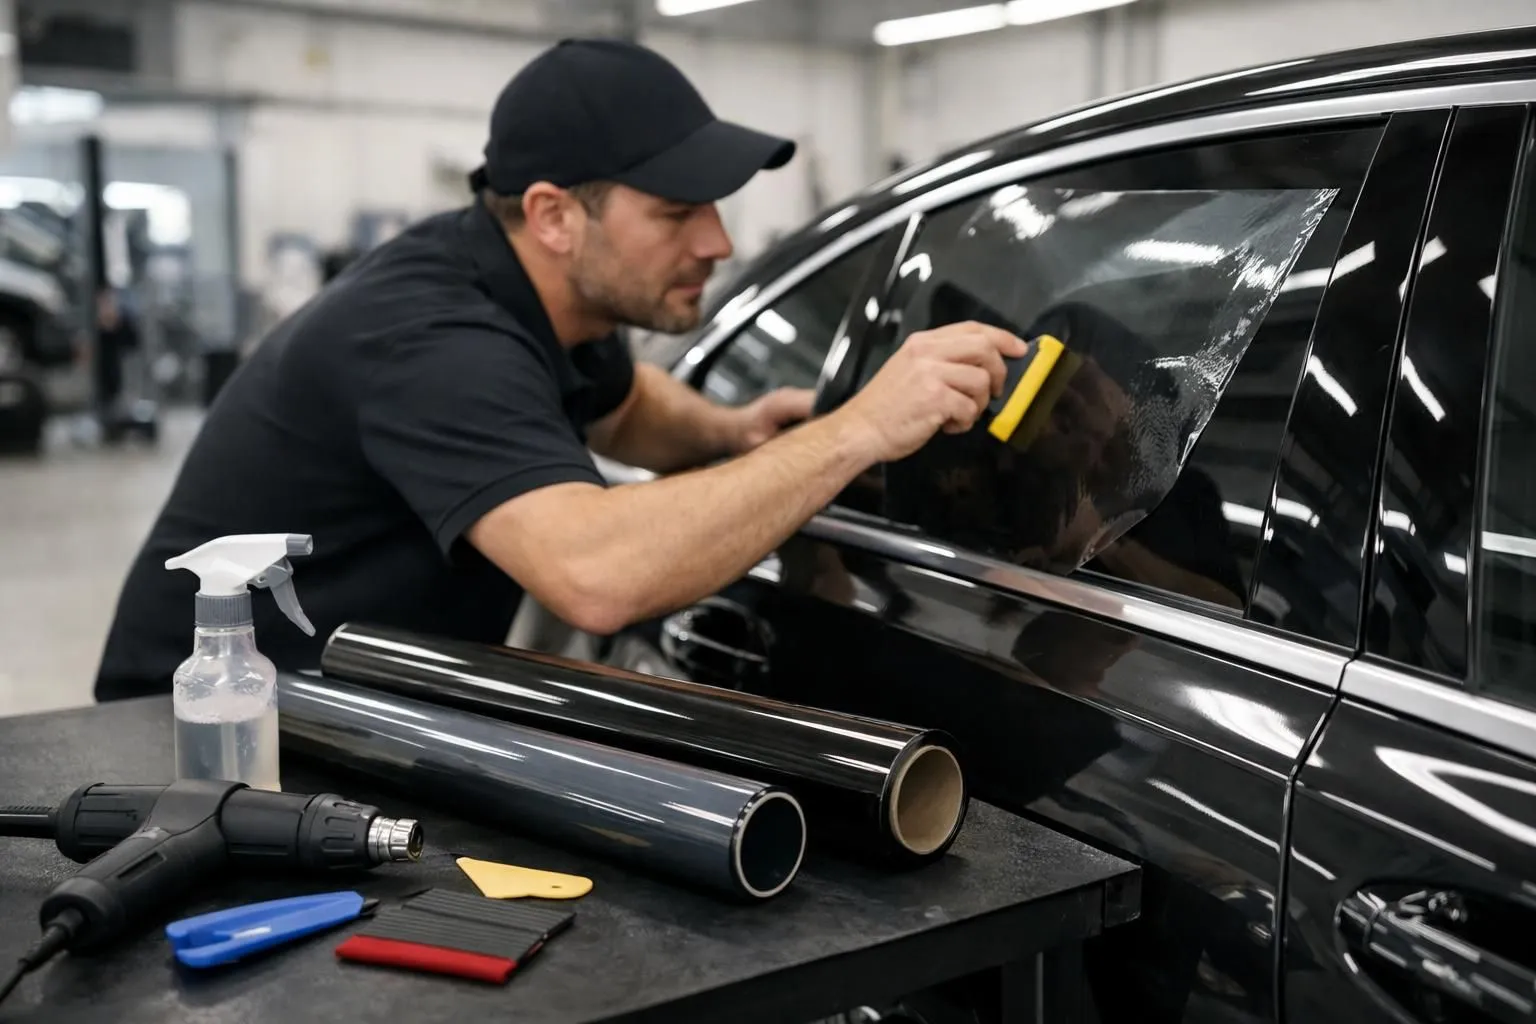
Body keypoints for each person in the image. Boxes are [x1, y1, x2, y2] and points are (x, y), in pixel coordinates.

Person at [92, 38, 1025, 701]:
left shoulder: (551, 297)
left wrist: (732, 433)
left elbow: (620, 406)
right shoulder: (433, 337)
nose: (721, 241)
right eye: (675, 214)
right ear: (552, 215)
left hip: (343, 701)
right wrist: (856, 428)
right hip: (207, 728)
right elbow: (595, 575)